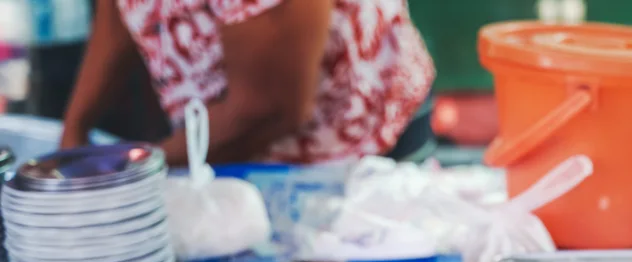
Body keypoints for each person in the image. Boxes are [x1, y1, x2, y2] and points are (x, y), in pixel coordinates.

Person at [60, 0, 434, 165]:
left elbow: (267, 110)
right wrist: (74, 131)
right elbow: (122, 10)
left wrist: (132, 168)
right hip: (222, 131)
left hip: (355, 135)